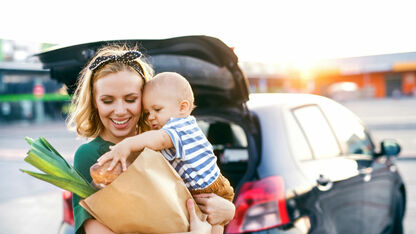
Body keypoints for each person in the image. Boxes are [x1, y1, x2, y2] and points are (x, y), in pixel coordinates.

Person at [68, 45, 235, 234]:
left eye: (131, 99)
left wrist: (229, 210)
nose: (120, 110)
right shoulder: (92, 156)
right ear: (94, 103)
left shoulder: (163, 145)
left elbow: (199, 196)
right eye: (107, 101)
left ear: (146, 99)